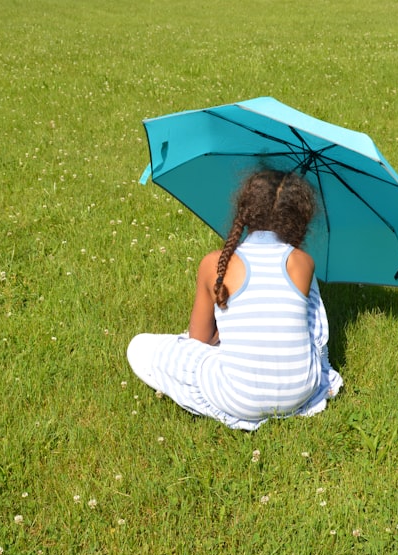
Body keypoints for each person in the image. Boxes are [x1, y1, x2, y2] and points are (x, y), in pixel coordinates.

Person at [126, 169, 343, 430]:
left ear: (244, 210)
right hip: (301, 391)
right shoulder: (303, 262)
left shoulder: (216, 263)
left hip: (238, 398)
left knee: (139, 347)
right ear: (300, 218)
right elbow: (314, 334)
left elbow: (198, 340)